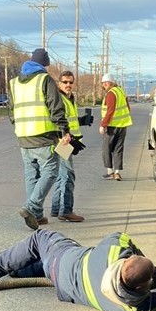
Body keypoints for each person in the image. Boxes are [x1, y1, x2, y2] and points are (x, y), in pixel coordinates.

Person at [0, 230, 156, 311]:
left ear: (126, 260)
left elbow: (124, 238)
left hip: (62, 257)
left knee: (40, 238)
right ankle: (18, 272)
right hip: (62, 286)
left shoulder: (114, 249)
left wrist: (147, 264)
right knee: (45, 264)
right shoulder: (135, 306)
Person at [10, 48, 71, 230]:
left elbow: (11, 111)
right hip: (43, 136)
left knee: (31, 173)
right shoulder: (44, 80)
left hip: (23, 136)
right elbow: (55, 106)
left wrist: (19, 127)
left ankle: (36, 215)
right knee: (51, 171)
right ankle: (31, 207)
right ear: (44, 64)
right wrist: (63, 130)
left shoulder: (14, 83)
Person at [50, 70, 86, 222]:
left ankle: (56, 208)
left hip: (68, 140)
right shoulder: (59, 98)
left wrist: (82, 121)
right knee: (68, 175)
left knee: (61, 176)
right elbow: (57, 119)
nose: (68, 85)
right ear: (59, 83)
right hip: (62, 141)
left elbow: (70, 119)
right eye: (65, 82)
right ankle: (66, 210)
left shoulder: (70, 98)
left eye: (71, 82)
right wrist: (66, 137)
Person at [99, 73, 132, 181]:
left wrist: (103, 125)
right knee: (118, 148)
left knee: (106, 148)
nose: (103, 86)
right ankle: (117, 172)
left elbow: (110, 110)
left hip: (112, 126)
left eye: (104, 84)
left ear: (108, 83)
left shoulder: (111, 93)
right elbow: (127, 107)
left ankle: (110, 171)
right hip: (123, 125)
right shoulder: (121, 91)